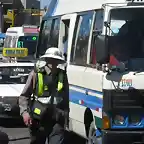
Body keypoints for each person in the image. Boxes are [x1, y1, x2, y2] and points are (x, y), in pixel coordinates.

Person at [19, 47, 69, 144]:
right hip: (38, 118)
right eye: (51, 59)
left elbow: (66, 98)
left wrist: (66, 116)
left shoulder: (62, 76)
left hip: (56, 119)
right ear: (46, 60)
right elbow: (24, 96)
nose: (53, 62)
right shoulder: (36, 74)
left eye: (56, 60)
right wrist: (25, 113)